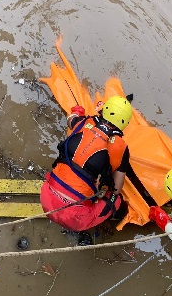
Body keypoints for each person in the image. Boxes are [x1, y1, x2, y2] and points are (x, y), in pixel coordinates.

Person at [39, 96, 133, 243]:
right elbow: (116, 188)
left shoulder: (83, 122)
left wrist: (77, 112)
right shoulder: (121, 147)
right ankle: (120, 215)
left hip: (46, 199)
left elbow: (71, 119)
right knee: (116, 200)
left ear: (103, 110)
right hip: (76, 219)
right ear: (125, 123)